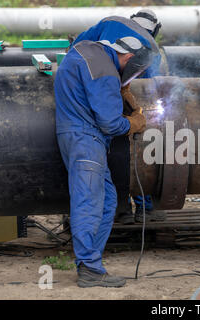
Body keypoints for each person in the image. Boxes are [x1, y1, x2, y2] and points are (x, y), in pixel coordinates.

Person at [54, 36, 152, 288]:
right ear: (128, 58)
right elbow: (109, 123)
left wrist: (118, 90)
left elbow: (88, 88)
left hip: (75, 134)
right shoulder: (106, 72)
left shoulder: (87, 49)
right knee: (90, 200)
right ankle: (89, 267)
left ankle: (91, 262)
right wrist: (134, 123)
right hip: (85, 138)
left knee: (108, 200)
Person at [70, 10, 164, 225]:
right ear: (156, 30)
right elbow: (147, 83)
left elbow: (78, 46)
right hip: (114, 98)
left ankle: (119, 208)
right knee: (135, 154)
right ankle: (143, 208)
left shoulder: (110, 22)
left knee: (110, 154)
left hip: (93, 95)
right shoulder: (150, 48)